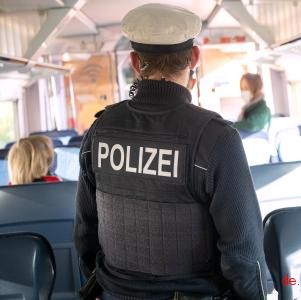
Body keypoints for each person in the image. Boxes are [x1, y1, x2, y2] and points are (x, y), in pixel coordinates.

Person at [74, 3, 267, 300]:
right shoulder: (217, 138)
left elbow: (85, 236)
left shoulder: (99, 132)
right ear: (194, 57)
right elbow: (243, 252)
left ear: (135, 62)